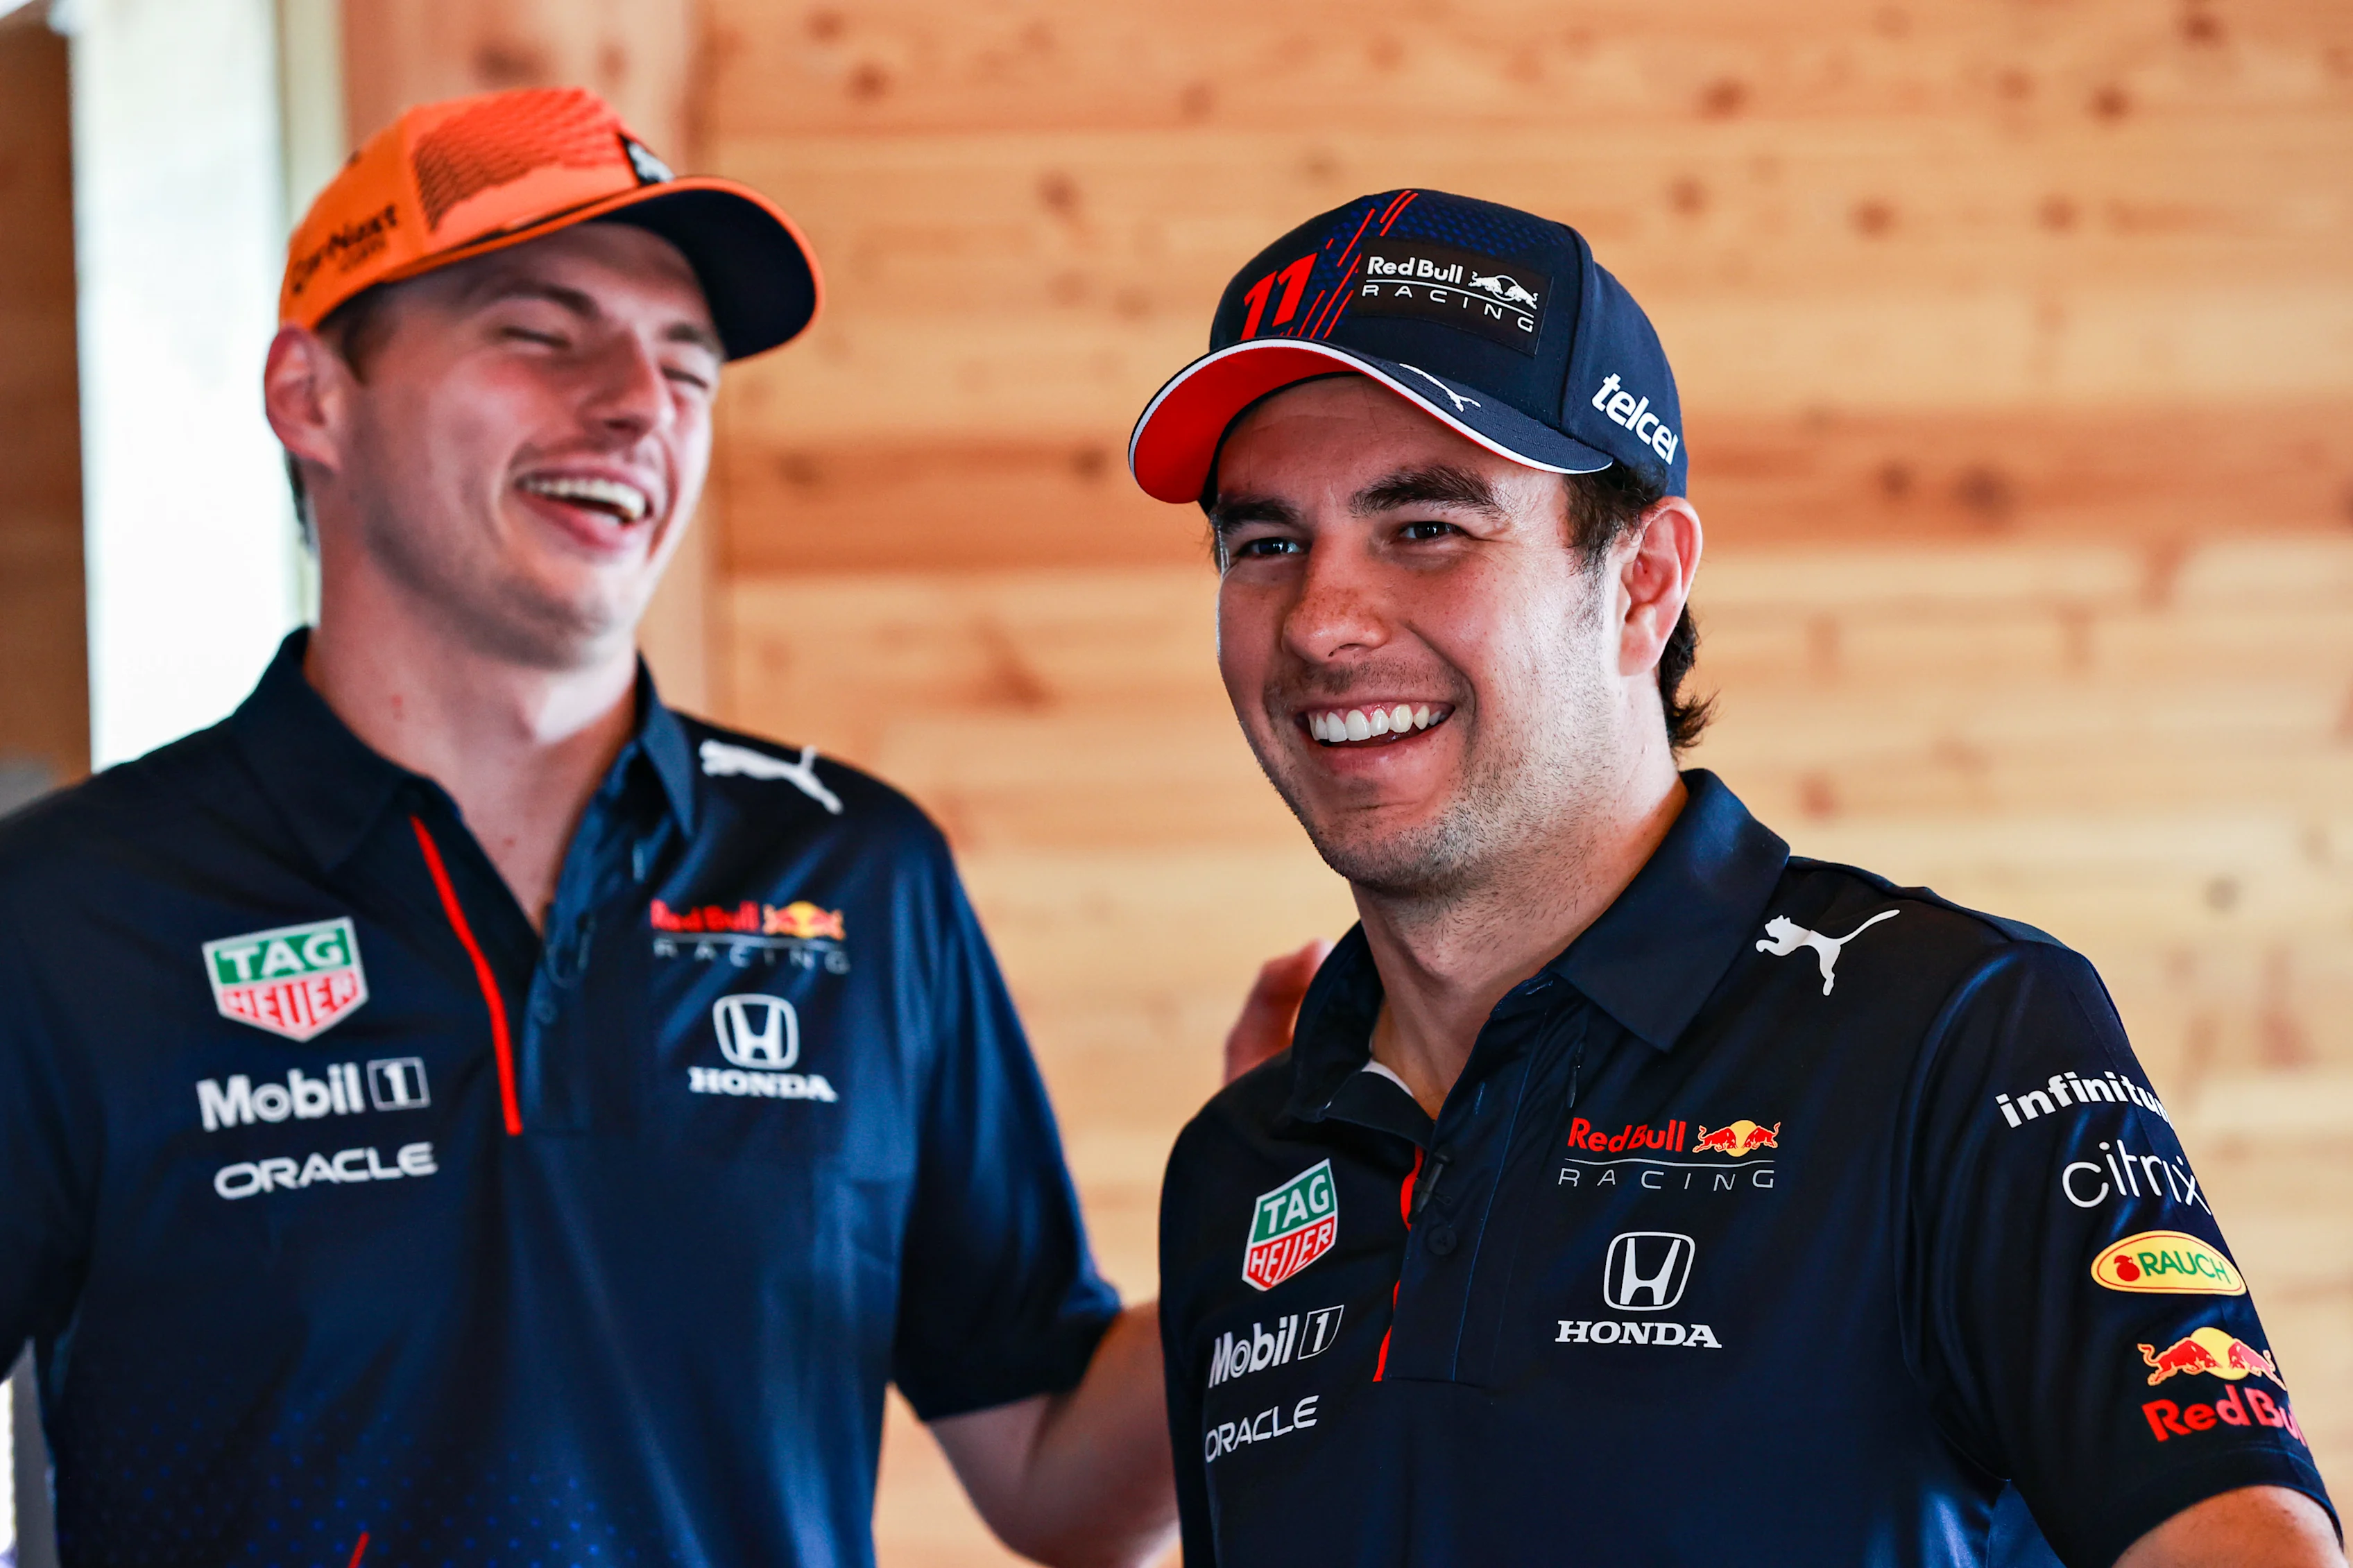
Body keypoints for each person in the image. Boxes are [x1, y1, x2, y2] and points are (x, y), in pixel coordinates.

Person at [0, 85, 1228, 1568]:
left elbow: (1053, 1474)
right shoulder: (68, 911)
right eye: (541, 331)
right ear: (310, 394)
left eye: (687, 364)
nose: (639, 406)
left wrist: (1287, 1190)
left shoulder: (856, 874)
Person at [1127, 189, 2343, 1567]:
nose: (1323, 621)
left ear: (1642, 582)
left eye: (1427, 527)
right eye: (1263, 543)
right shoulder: (1240, 1163)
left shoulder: (1949, 1032)